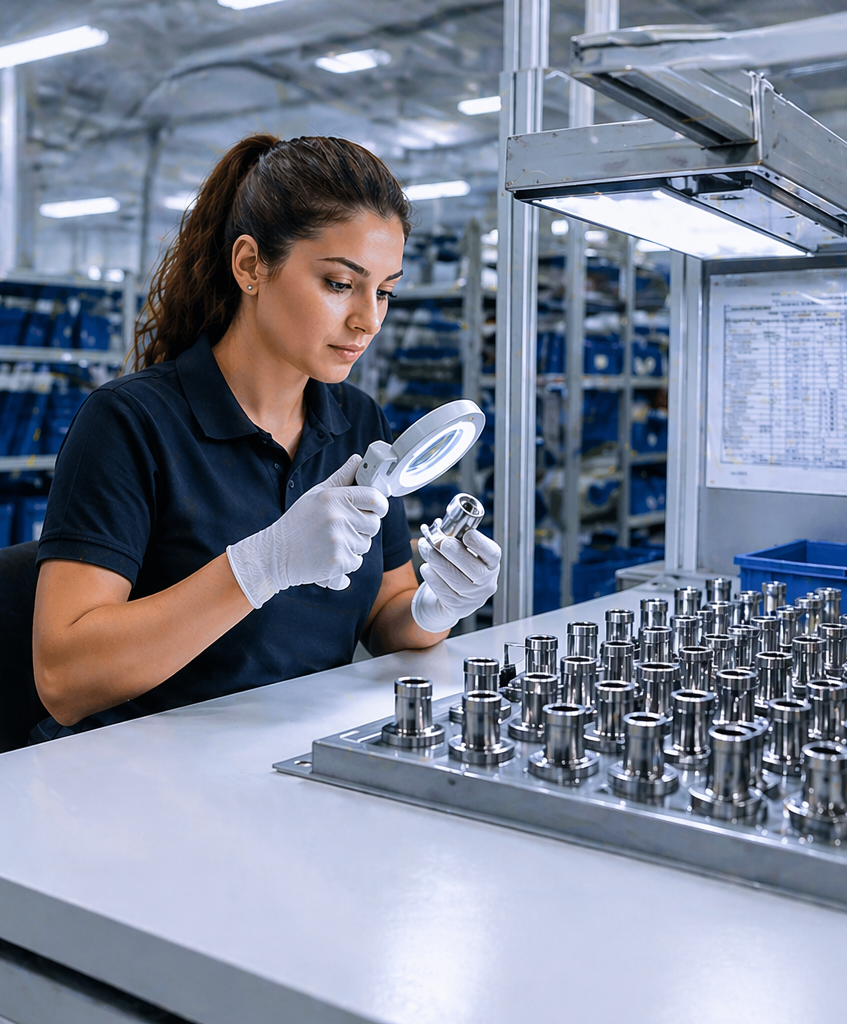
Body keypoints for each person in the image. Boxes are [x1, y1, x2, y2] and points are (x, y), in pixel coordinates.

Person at [29, 133, 501, 739]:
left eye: (384, 291)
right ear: (251, 265)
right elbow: (65, 678)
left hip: (294, 761)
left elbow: (387, 617)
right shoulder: (130, 423)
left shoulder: (357, 422)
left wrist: (436, 607)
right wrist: (261, 565)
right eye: (339, 284)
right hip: (145, 777)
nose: (369, 319)